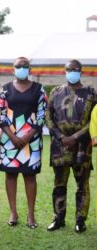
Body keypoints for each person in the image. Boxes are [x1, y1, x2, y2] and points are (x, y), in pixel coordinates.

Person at [46, 59, 96, 233]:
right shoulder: (56, 92)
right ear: (64, 71)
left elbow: (94, 120)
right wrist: (60, 136)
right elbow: (48, 116)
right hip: (60, 148)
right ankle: (58, 218)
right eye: (69, 69)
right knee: (59, 184)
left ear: (81, 71)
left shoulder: (91, 93)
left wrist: (75, 136)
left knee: (83, 186)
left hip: (83, 148)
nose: (72, 72)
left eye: (75, 69)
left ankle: (80, 220)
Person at [0, 57, 47, 228]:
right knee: (10, 175)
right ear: (13, 69)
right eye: (19, 66)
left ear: (30, 69)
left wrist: (26, 136)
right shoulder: (5, 89)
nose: (22, 68)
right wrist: (12, 136)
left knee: (30, 176)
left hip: (31, 141)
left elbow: (41, 116)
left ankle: (30, 215)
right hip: (9, 139)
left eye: (25, 66)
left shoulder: (39, 90)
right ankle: (13, 212)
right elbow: (0, 115)